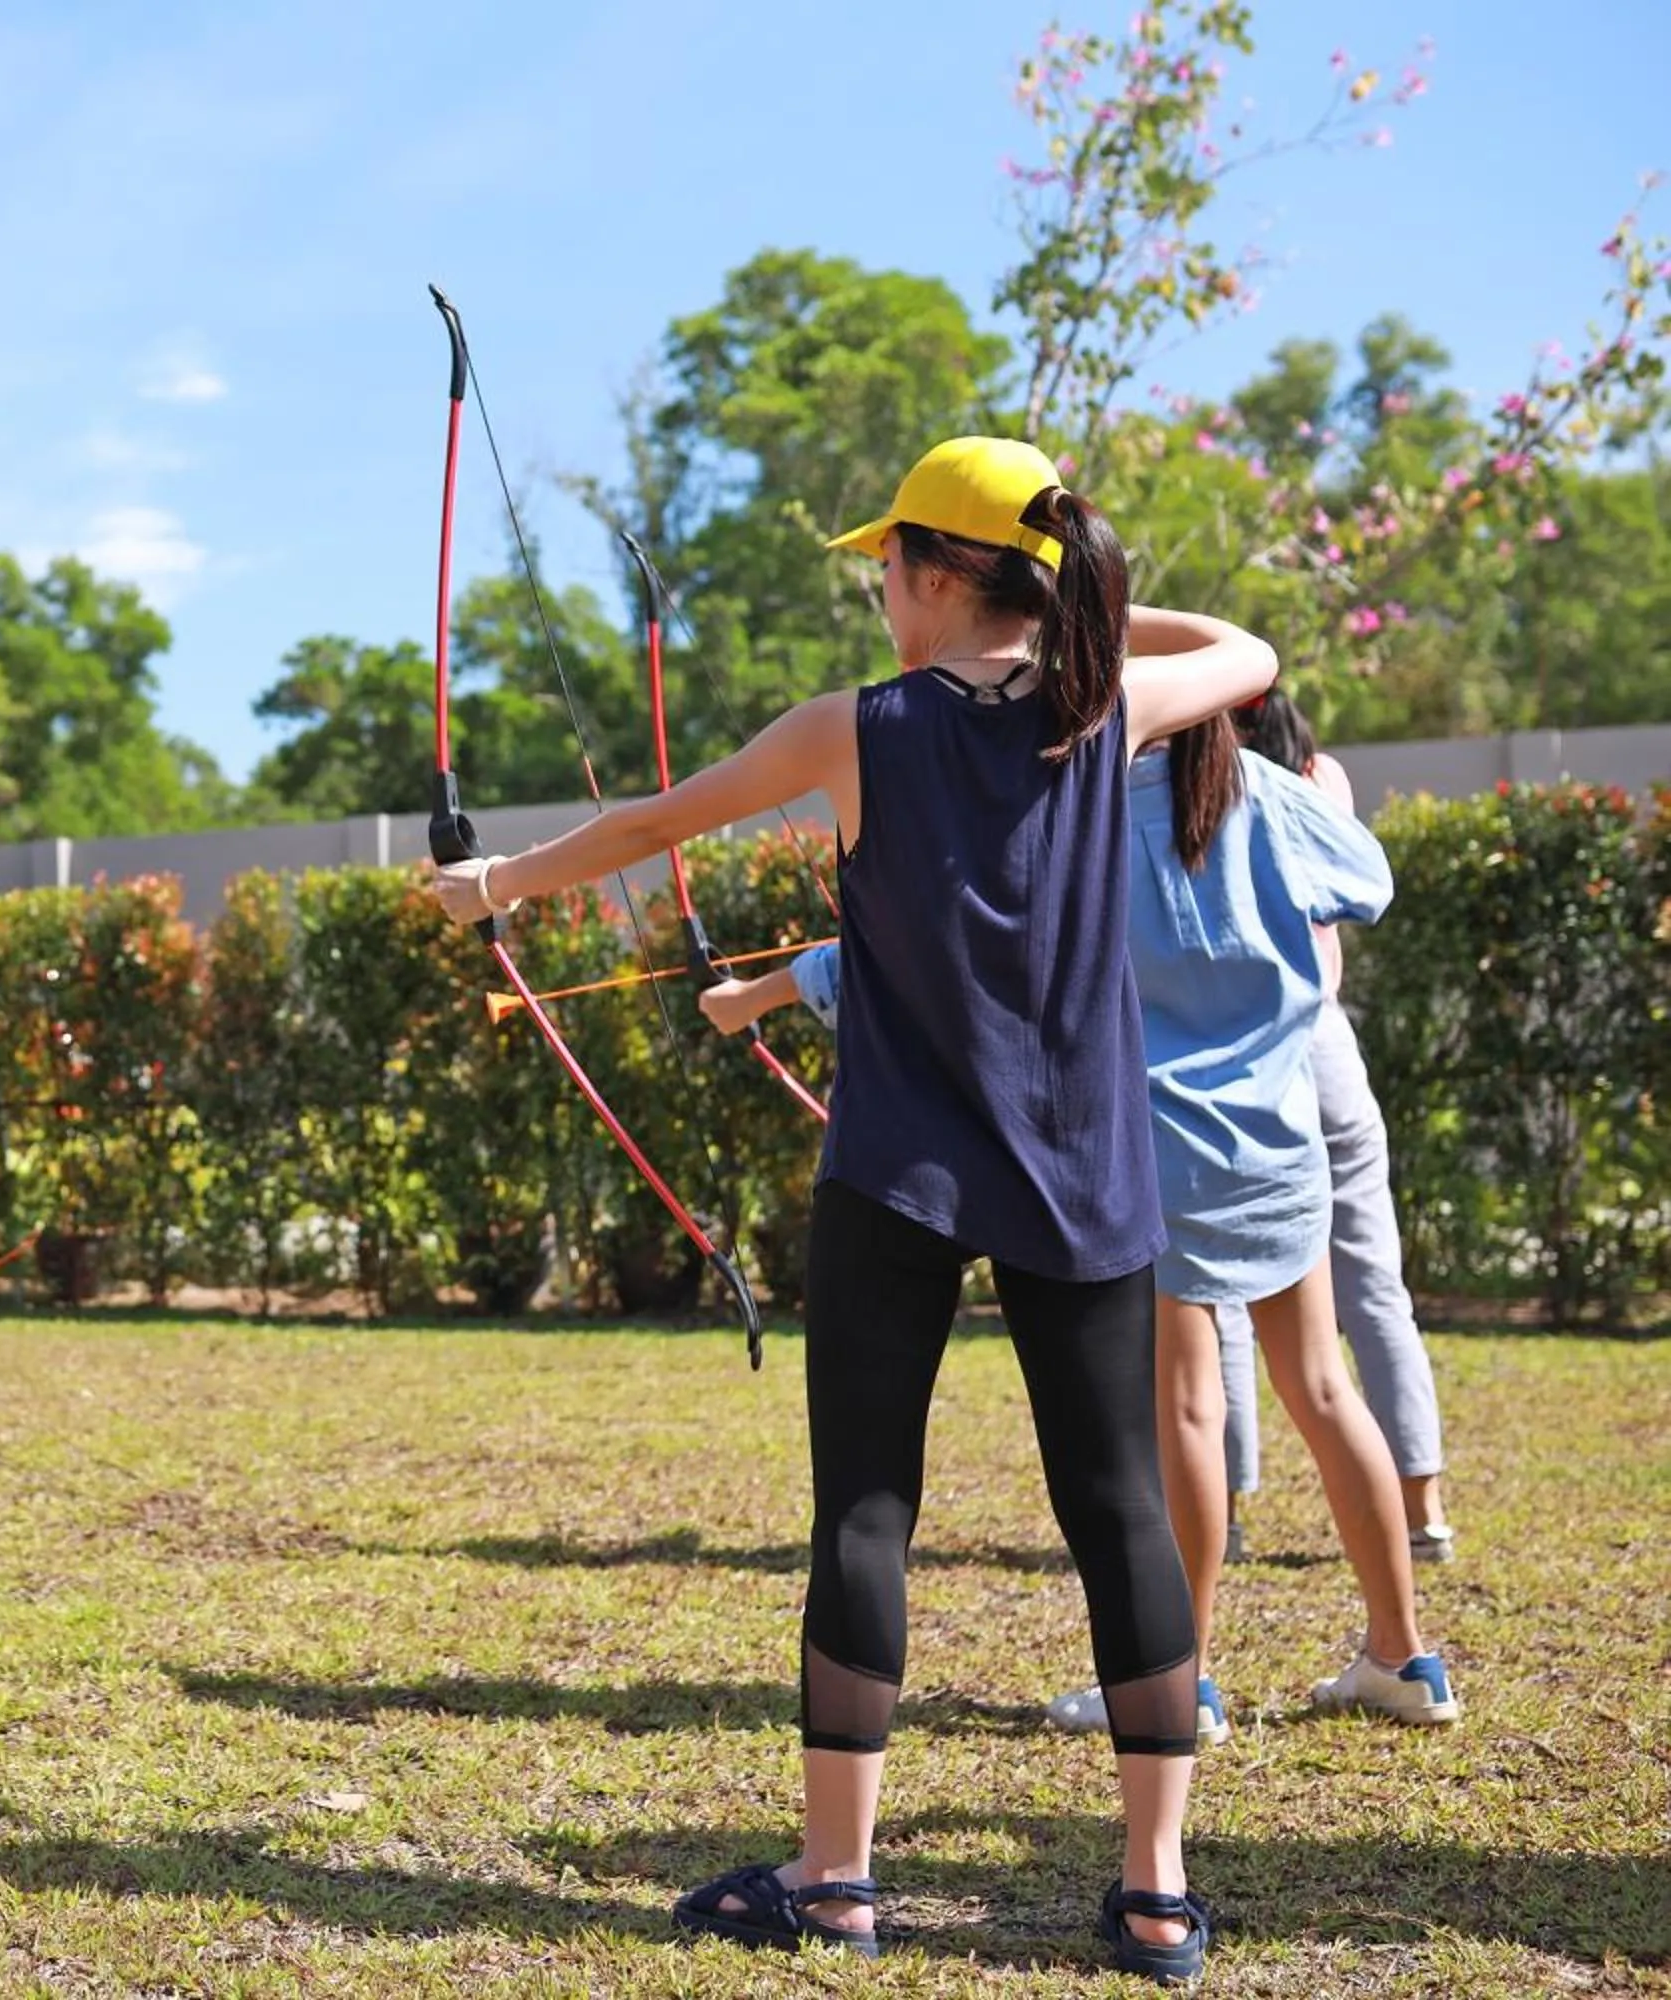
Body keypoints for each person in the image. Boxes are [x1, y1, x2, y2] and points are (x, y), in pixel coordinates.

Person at [434, 437, 1261, 1984]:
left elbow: (645, 828)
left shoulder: (855, 731)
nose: (881, 591)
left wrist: (497, 889)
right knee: (1122, 1510)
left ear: (942, 576)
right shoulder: (1111, 709)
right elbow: (1251, 651)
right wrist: (1079, 622)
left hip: (900, 1176)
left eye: (892, 566)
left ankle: (838, 1881)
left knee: (867, 1507)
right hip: (1084, 1170)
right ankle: (1156, 1897)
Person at [1036, 708, 1459, 1744]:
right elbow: (1369, 881)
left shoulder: (1081, 810)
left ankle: (1179, 1681)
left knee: (1183, 1411)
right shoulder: (1267, 792)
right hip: (1280, 1136)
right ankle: (1403, 1655)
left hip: (1157, 1151)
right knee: (1321, 1385)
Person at [1216, 690, 1454, 1567]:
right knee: (1375, 1288)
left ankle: (1225, 1513)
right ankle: (1422, 1507)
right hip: (1329, 1045)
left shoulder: (1207, 791)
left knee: (1222, 1299)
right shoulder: (1324, 779)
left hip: (1245, 1049)